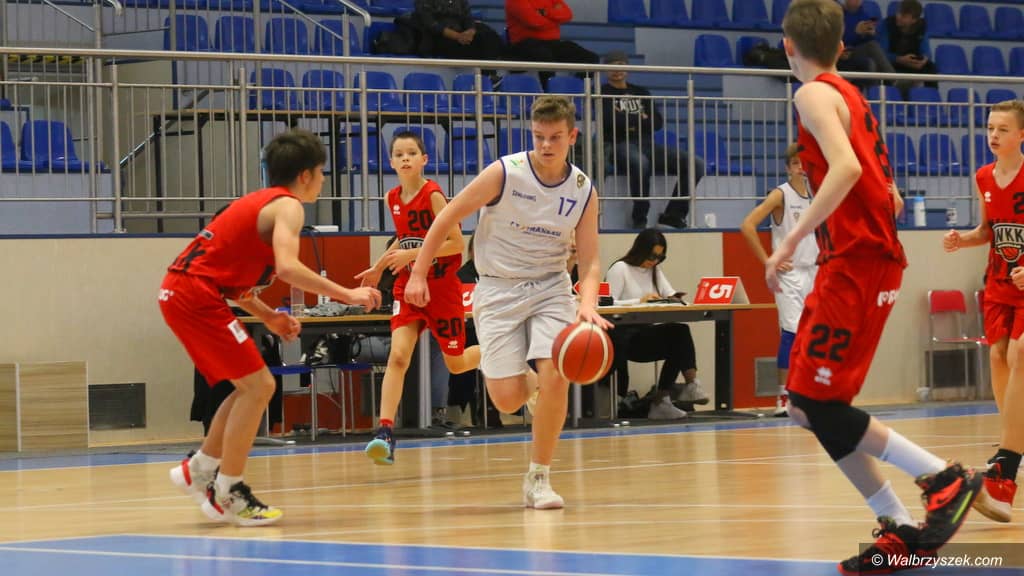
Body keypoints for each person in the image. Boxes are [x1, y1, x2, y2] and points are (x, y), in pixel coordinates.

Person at [770, 2, 982, 572]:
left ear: (788, 45)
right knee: (807, 406)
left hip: (858, 261)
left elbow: (846, 168)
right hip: (861, 259)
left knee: (813, 403)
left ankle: (943, 478)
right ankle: (901, 531)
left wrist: (791, 241)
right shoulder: (851, 94)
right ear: (842, 46)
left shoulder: (812, 94)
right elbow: (882, 184)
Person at [161, 129, 382, 525]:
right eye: (322, 172)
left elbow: (233, 282)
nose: (323, 180)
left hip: (185, 291)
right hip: (193, 294)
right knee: (261, 386)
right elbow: (288, 267)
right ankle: (229, 490)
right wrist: (347, 293)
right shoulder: (288, 207)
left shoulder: (257, 203)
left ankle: (200, 468)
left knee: (249, 386)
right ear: (306, 175)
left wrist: (268, 315)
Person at [405, 95, 612, 509]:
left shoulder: (582, 189)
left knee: (556, 373)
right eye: (539, 137)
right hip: (498, 288)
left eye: (555, 137)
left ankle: (539, 477)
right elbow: (447, 217)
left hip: (551, 287)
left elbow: (590, 260)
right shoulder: (505, 172)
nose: (546, 145)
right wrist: (417, 272)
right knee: (507, 399)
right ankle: (532, 384)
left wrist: (587, 304)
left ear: (572, 136)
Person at [356, 131, 481, 465]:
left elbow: (456, 243)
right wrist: (379, 267)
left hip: (441, 289)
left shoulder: (433, 195)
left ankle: (499, 352)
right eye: (399, 154)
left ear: (424, 160)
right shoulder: (392, 197)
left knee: (456, 363)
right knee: (398, 357)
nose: (405, 158)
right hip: (408, 288)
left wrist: (411, 256)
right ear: (391, 162)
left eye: (412, 153)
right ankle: (385, 432)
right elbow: (404, 237)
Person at [942, 99, 1024, 524]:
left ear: (1021, 135)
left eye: (1003, 129)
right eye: (990, 128)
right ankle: (1014, 440)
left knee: (1020, 354)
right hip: (998, 284)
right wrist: (964, 239)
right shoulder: (984, 176)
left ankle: (1006, 465)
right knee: (998, 356)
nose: (993, 135)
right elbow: (988, 231)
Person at [740, 143, 817, 418]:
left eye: (804, 163)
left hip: (815, 271)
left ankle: (809, 394)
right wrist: (768, 260)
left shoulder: (819, 194)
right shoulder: (780, 195)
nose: (801, 168)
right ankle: (783, 397)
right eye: (796, 163)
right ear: (788, 168)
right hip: (790, 275)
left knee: (814, 335)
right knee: (791, 333)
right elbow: (747, 226)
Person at [605, 229, 708, 420]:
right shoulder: (620, 269)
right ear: (640, 250)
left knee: (680, 333)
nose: (655, 261)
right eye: (652, 256)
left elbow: (669, 293)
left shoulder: (654, 271)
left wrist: (674, 299)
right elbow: (607, 303)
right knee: (677, 336)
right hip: (624, 339)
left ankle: (674, 393)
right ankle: (675, 394)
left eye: (661, 257)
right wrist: (639, 301)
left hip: (645, 333)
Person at [601, 50, 703, 230]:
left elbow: (657, 123)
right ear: (604, 70)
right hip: (619, 144)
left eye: (621, 65)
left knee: (696, 164)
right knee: (640, 163)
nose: (617, 70)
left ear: (628, 68)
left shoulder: (642, 92)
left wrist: (625, 119)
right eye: (611, 66)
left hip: (648, 144)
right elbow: (609, 121)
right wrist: (641, 118)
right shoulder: (601, 92)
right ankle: (640, 217)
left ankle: (673, 215)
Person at [504, 0, 598, 91]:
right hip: (523, 44)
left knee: (591, 58)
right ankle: (550, 95)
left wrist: (544, 12)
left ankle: (574, 90)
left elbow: (567, 14)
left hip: (552, 43)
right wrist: (555, 20)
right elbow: (534, 22)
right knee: (544, 55)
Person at [413, 0, 504, 79]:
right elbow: (431, 25)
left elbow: (468, 18)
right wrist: (458, 36)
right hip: (439, 39)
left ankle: (489, 76)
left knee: (489, 36)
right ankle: (488, 77)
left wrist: (470, 32)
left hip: (461, 35)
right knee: (486, 46)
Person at [877, 0, 937, 91]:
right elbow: (881, 53)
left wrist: (923, 60)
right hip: (892, 64)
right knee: (882, 65)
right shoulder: (887, 24)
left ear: (914, 20)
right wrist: (899, 59)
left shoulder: (921, 27)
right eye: (898, 13)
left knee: (930, 67)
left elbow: (926, 51)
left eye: (903, 16)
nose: (898, 17)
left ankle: (932, 96)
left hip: (911, 64)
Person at [837, 0, 896, 78]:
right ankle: (894, 79)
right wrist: (856, 33)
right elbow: (837, 38)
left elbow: (866, 41)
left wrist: (870, 34)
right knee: (871, 49)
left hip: (855, 51)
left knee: (872, 51)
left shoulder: (863, 15)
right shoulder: (839, 14)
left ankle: (891, 80)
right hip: (840, 52)